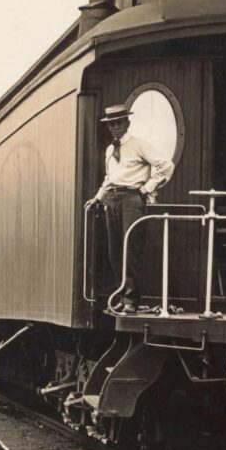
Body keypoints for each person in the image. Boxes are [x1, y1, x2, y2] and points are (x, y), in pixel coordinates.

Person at [84, 104, 174, 313]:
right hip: (112, 200)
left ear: (127, 123)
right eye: (111, 124)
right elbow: (110, 178)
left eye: (119, 123)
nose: (115, 127)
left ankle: (131, 301)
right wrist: (98, 198)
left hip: (131, 200)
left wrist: (146, 188)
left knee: (129, 248)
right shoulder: (109, 150)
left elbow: (166, 165)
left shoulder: (139, 145)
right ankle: (122, 295)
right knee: (114, 250)